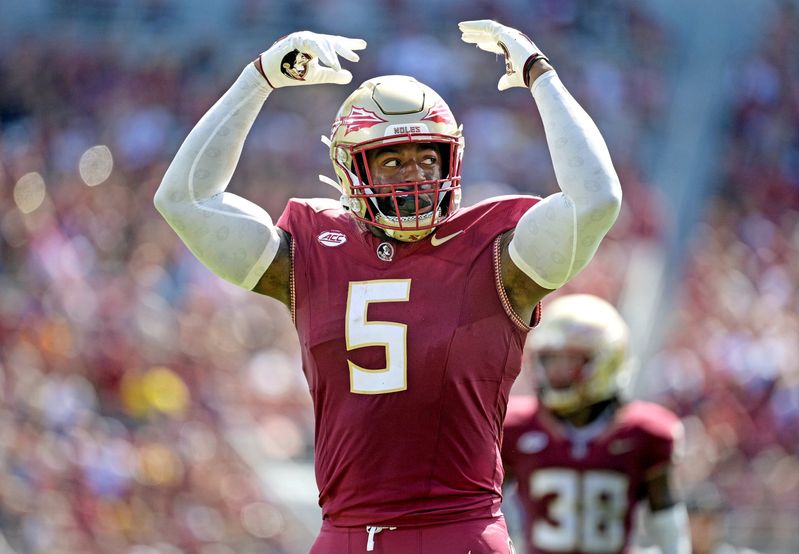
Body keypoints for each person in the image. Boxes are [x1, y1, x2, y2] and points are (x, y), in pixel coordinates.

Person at [154, 20, 622, 554]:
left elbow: (597, 200)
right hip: (344, 536)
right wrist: (258, 77)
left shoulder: (496, 252)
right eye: (393, 160)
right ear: (352, 169)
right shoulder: (311, 250)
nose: (417, 175)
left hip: (457, 532)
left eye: (429, 157)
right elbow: (183, 201)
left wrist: (541, 75)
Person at [502, 294, 690, 554]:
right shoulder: (516, 426)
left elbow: (665, 514)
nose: (557, 371)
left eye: (570, 360)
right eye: (550, 359)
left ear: (606, 361)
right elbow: (486, 504)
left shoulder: (644, 433)